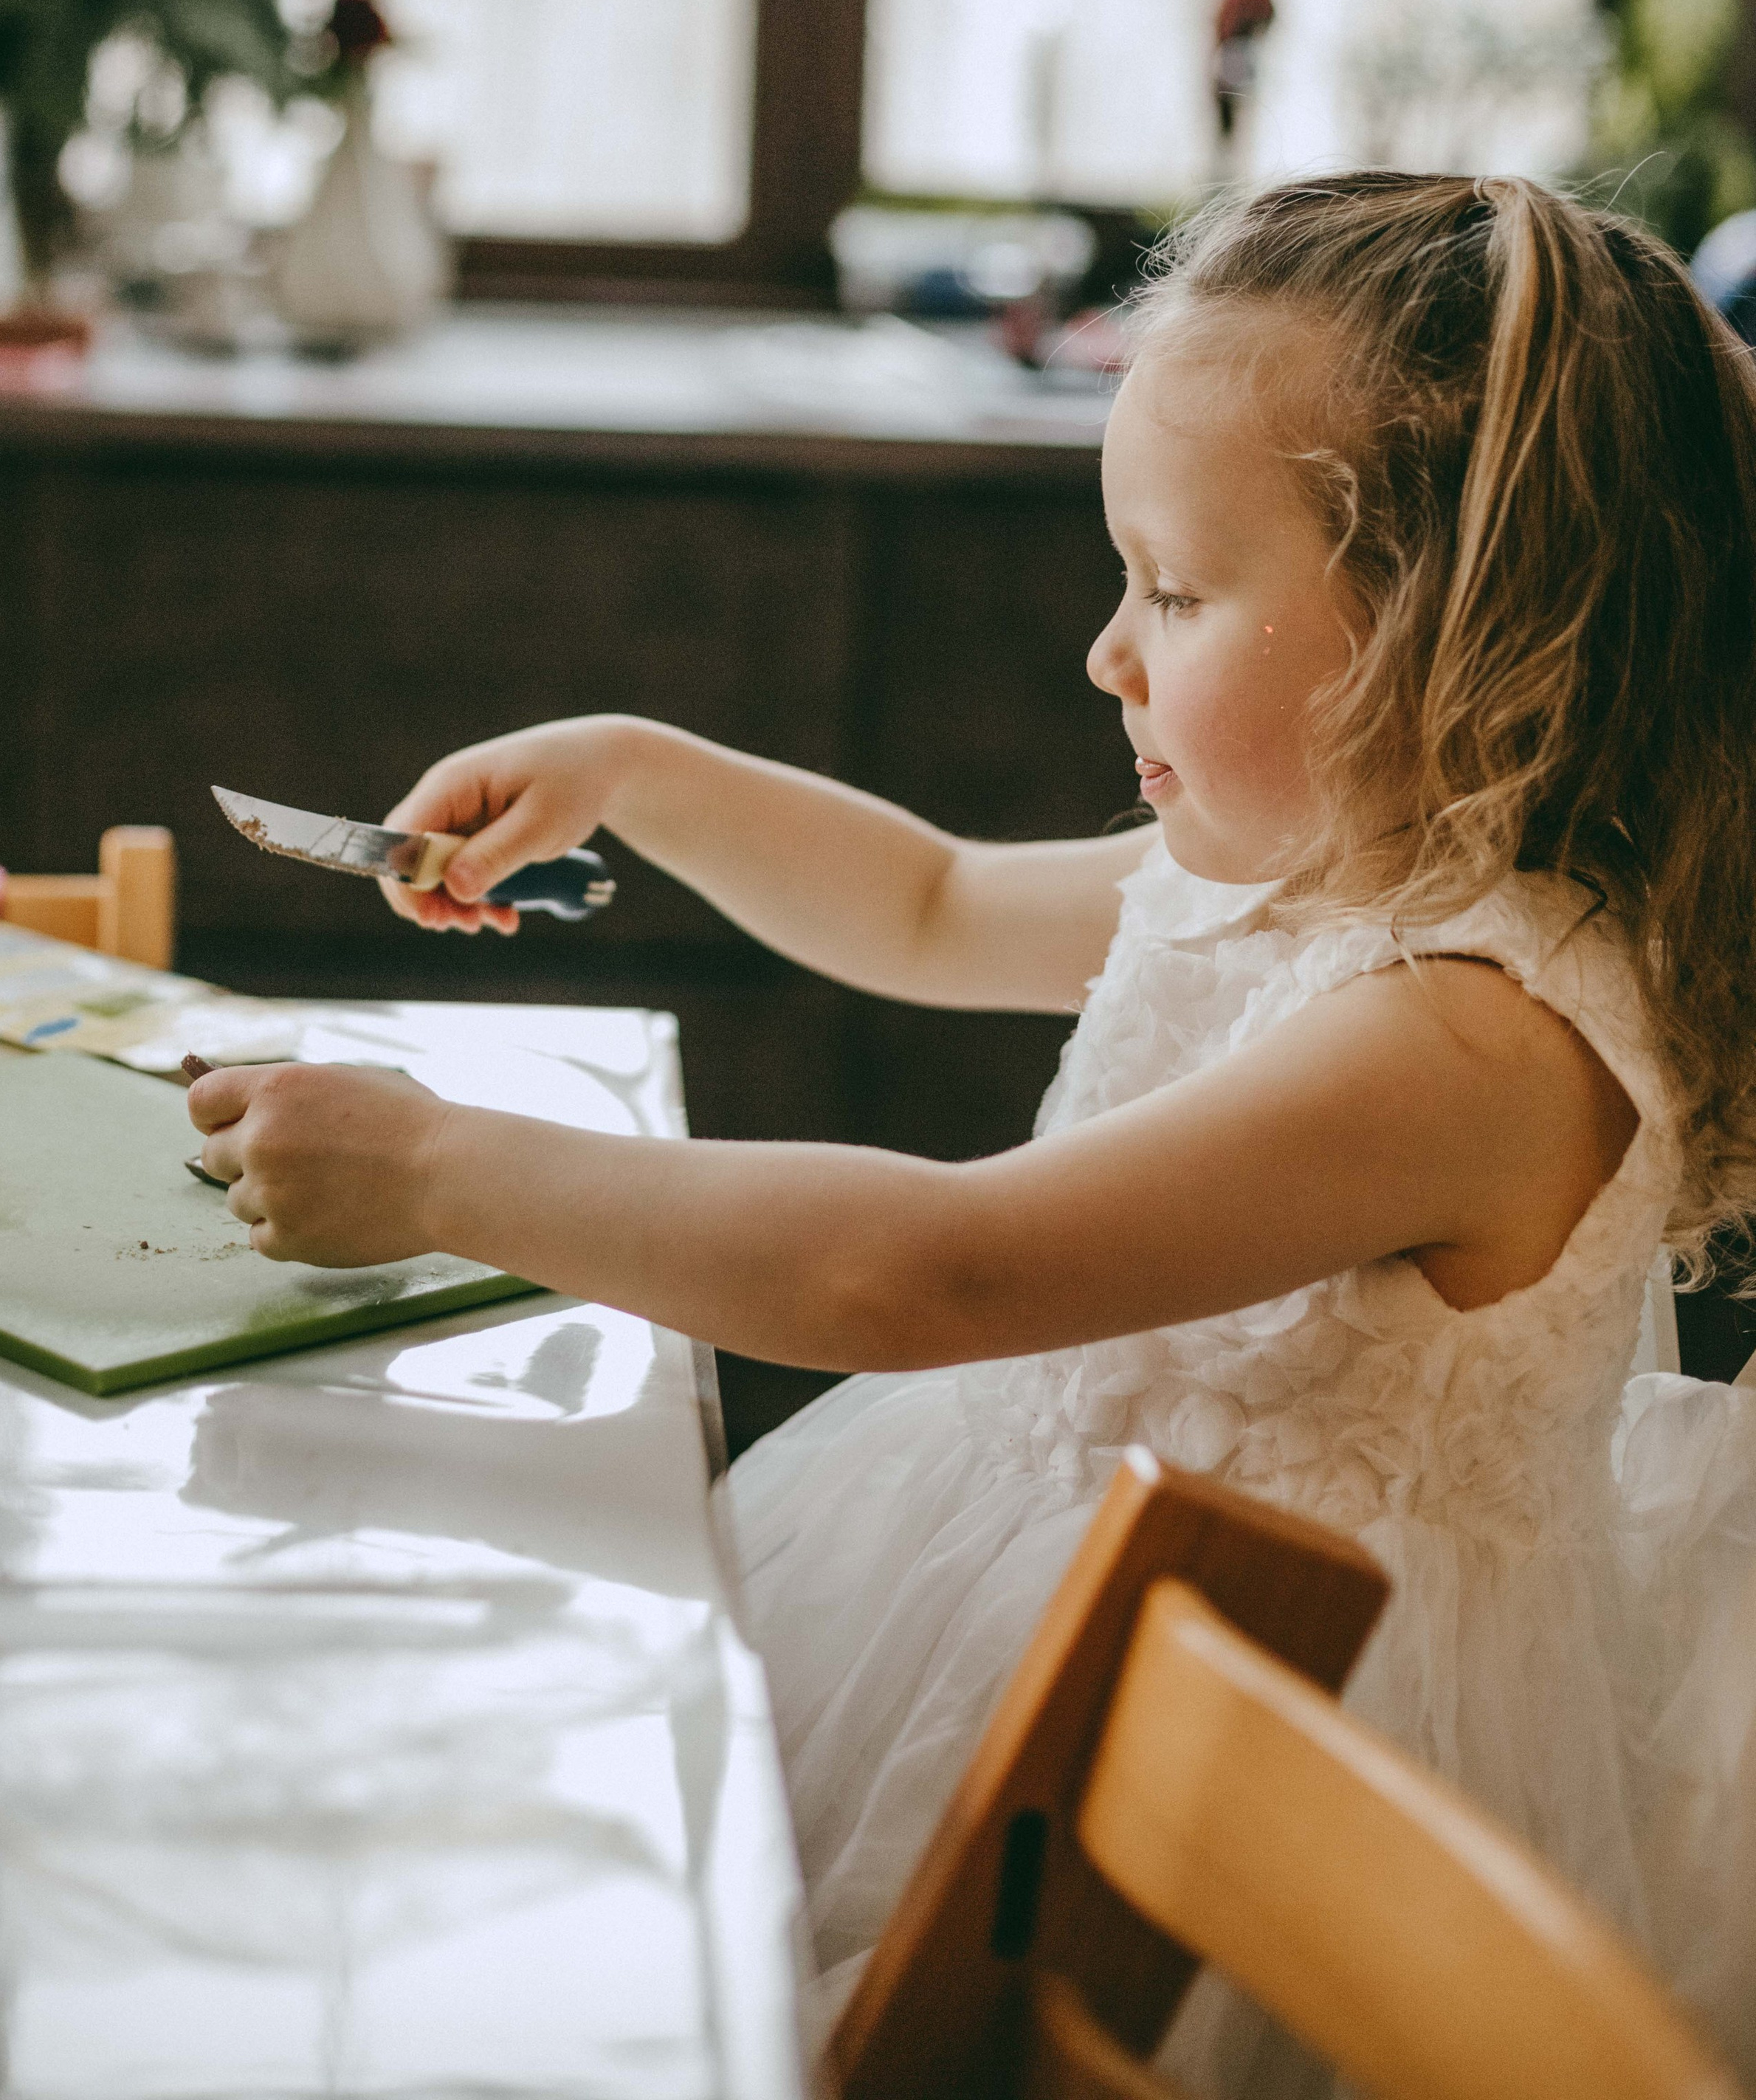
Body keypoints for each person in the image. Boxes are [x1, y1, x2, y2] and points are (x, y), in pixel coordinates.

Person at [187, 175, 1756, 2090]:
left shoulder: (1475, 1039)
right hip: (1028, 1595)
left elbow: (927, 1270)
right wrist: (635, 771)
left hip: (1241, 1763)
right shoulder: (1310, 881)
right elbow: (925, 904)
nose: (1109, 653)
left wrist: (444, 1170)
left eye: (1176, 592)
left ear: (1466, 630)